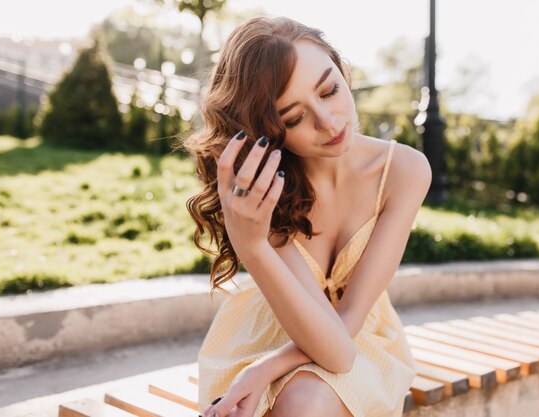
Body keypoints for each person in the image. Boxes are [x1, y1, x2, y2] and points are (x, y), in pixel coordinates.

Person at [183, 15, 431, 417]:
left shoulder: (404, 172)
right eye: (295, 118)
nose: (330, 122)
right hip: (271, 329)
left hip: (361, 339)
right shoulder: (270, 190)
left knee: (305, 401)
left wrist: (264, 371)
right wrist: (252, 246)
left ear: (342, 68)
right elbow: (326, 344)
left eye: (330, 90)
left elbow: (341, 343)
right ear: (268, 130)